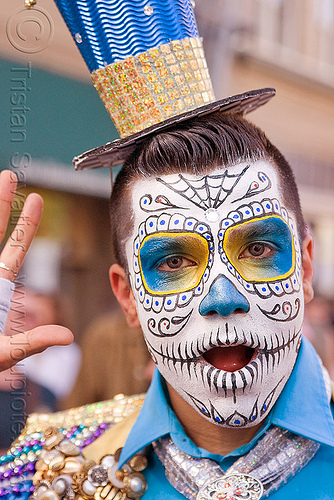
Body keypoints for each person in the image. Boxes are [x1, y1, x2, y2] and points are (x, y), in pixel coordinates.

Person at [0, 1, 333, 498]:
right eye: (173, 261)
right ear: (128, 296)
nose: (223, 296)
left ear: (304, 266)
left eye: (259, 247)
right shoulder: (51, 469)